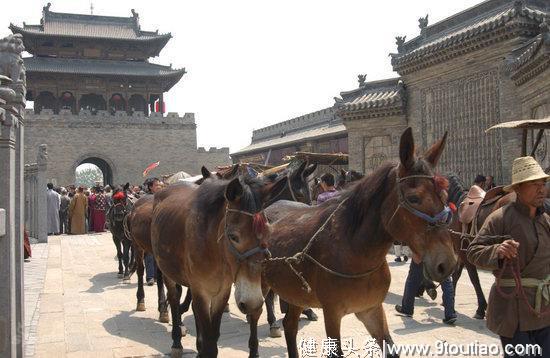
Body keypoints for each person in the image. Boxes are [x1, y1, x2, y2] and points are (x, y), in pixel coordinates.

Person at [467, 157, 550, 357]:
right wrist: (498, 250)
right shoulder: (500, 218)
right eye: (534, 185)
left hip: (545, 311)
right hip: (513, 312)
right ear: (518, 189)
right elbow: (473, 251)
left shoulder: (546, 221)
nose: (541, 190)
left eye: (543, 184)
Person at [395, 254, 456, 324]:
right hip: (441, 253)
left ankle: (407, 309)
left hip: (424, 252)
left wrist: (416, 253)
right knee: (446, 281)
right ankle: (450, 314)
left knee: (412, 279)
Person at [144, 178, 161, 285]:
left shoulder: (162, 197)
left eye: (159, 185)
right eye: (156, 185)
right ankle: (150, 276)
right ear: (150, 187)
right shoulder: (146, 199)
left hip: (159, 229)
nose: (159, 186)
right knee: (149, 254)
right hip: (148, 229)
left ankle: (156, 276)